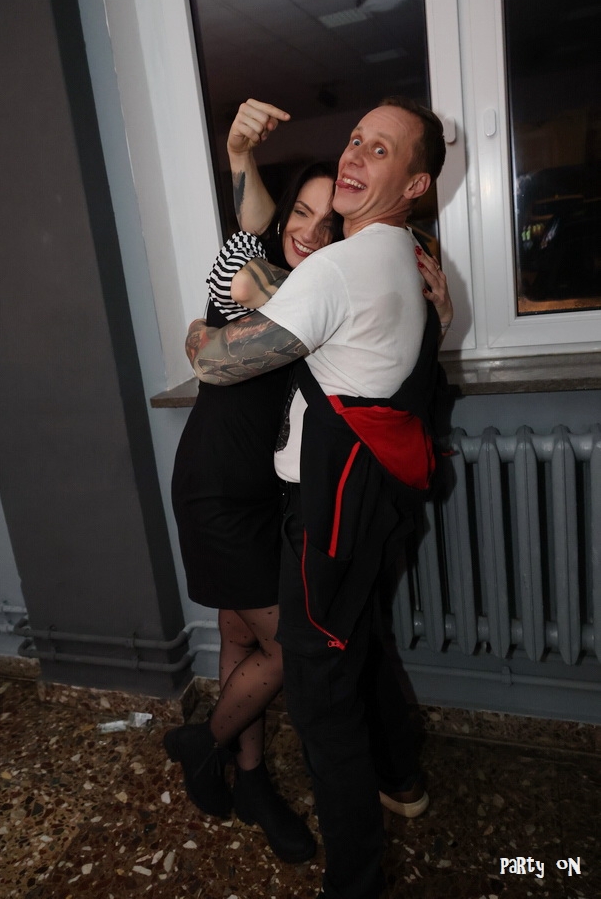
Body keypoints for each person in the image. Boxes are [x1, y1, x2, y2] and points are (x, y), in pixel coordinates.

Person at [185, 96, 449, 899]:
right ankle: (244, 763)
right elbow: (254, 236)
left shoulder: (333, 273)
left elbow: (216, 356)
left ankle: (238, 769)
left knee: (305, 671)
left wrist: (197, 337)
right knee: (286, 645)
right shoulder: (362, 261)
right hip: (237, 483)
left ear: (415, 184)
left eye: (381, 149)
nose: (355, 156)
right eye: (353, 141)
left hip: (308, 499)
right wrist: (239, 159)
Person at [166, 154, 343, 864]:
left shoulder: (321, 298)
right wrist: (241, 159)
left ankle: (251, 781)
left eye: (329, 224)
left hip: (263, 494)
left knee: (241, 638)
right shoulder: (253, 277)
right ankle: (202, 742)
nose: (310, 231)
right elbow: (240, 259)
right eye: (301, 211)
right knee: (288, 646)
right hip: (213, 488)